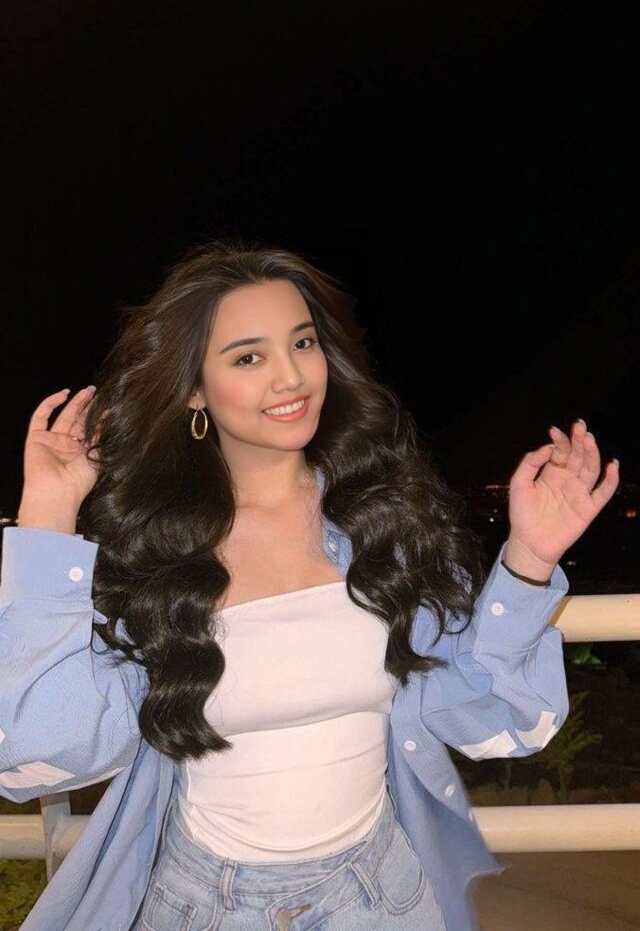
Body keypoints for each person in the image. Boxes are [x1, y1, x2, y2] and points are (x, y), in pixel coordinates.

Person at [0, 236, 619, 931]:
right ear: (195, 389)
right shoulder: (154, 554)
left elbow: (491, 722)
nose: (291, 376)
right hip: (203, 907)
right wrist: (48, 510)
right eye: (249, 357)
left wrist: (529, 558)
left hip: (381, 897)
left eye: (303, 343)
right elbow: (45, 752)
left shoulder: (382, 525)